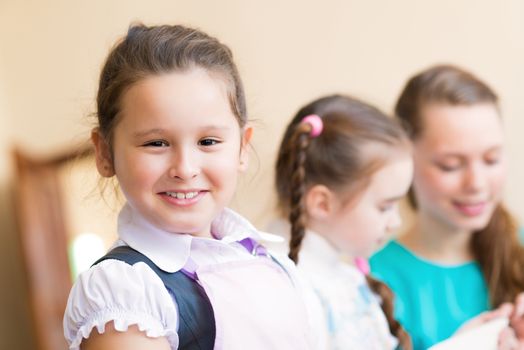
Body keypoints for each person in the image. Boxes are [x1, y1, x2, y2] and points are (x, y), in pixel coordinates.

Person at [63, 23, 314, 350]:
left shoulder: (270, 259)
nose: (184, 168)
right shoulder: (126, 291)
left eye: (208, 141)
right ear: (105, 153)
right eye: (156, 143)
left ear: (242, 147)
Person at [370, 64, 524, 350]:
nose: (476, 183)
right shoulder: (374, 283)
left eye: (491, 159)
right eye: (450, 165)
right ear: (406, 160)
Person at [273, 94, 414, 349]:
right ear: (322, 204)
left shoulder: (344, 277)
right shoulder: (291, 291)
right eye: (385, 207)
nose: (396, 221)